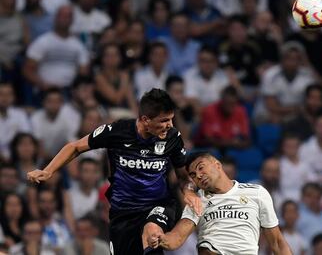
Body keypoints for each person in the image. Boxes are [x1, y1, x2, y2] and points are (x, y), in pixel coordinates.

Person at [27, 88, 201, 255]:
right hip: (123, 212)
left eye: (171, 119)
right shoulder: (117, 131)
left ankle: (153, 229)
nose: (169, 125)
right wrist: (48, 171)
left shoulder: (172, 137)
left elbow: (183, 176)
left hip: (158, 205)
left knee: (152, 231)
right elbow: (75, 147)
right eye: (164, 120)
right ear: (146, 119)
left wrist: (190, 192)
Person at [149, 151, 293, 255]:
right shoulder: (198, 200)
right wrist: (161, 238)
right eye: (193, 175)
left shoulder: (257, 192)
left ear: (217, 164)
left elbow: (277, 243)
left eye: (201, 168)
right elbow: (177, 237)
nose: (198, 176)